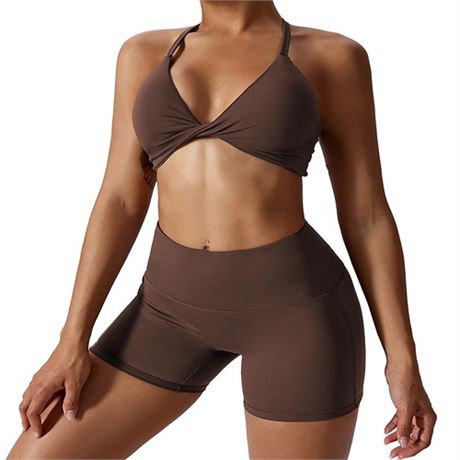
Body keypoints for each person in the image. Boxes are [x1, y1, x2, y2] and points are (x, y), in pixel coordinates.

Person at [7, 1, 436, 459]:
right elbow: (120, 199)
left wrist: (402, 359)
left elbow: (367, 215)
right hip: (167, 312)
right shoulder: (144, 53)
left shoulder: (332, 56)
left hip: (297, 318)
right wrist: (70, 340)